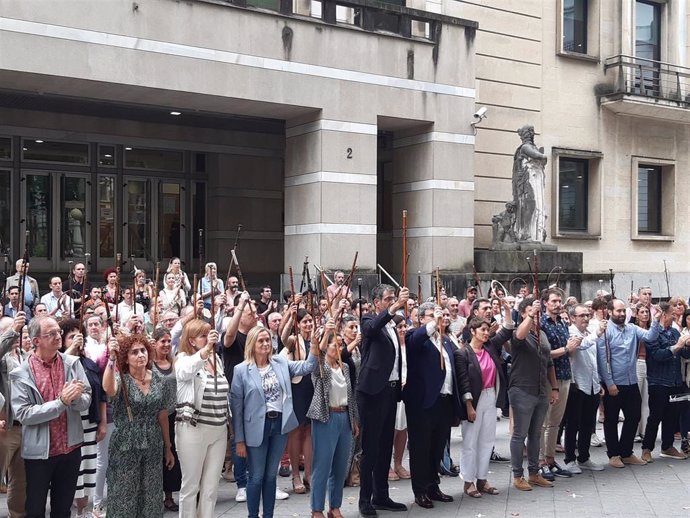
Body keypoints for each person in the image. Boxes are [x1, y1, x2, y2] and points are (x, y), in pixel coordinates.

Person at [230, 326, 318, 518]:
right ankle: (253, 515)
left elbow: (307, 367)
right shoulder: (241, 370)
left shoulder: (280, 362)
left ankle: (268, 515)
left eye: (268, 340)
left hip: (279, 425)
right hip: (255, 429)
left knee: (271, 476)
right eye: (261, 340)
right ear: (252, 344)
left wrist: (315, 348)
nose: (265, 344)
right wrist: (239, 440)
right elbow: (236, 410)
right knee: (256, 477)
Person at [10, 315, 92, 518]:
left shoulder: (72, 363)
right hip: (39, 454)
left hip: (70, 448)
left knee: (63, 510)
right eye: (52, 333)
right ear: (36, 340)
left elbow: (87, 397)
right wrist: (61, 403)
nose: (59, 337)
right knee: (35, 509)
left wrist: (74, 399)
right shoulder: (21, 372)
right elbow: (23, 413)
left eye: (59, 332)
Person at [102, 334, 175, 518]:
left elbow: (163, 415)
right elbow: (108, 388)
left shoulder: (159, 380)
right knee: (124, 494)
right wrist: (111, 359)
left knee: (150, 494)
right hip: (126, 443)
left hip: (153, 442)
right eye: (134, 352)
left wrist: (168, 447)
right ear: (125, 358)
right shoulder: (121, 380)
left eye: (143, 351)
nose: (140, 355)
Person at [356, 284, 409, 517]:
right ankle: (364, 499)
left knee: (385, 445)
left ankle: (381, 495)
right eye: (387, 299)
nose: (391, 302)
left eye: (393, 298)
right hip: (372, 393)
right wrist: (394, 308)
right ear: (377, 302)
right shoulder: (369, 320)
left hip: (390, 391)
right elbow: (370, 330)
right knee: (371, 448)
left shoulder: (392, 325)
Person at [404, 302, 461, 509]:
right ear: (420, 318)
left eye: (437, 315)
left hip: (444, 400)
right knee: (421, 448)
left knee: (437, 446)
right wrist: (432, 323)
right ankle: (420, 490)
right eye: (430, 315)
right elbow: (416, 340)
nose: (436, 318)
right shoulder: (413, 336)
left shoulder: (445, 341)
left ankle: (433, 485)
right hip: (423, 402)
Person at [455, 300, 514, 498]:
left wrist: (507, 310)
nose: (486, 333)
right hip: (473, 400)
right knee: (470, 441)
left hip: (490, 397)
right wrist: (469, 406)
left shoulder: (490, 347)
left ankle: (482, 478)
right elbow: (463, 382)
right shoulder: (462, 353)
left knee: (487, 440)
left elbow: (506, 331)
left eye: (487, 330)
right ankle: (468, 481)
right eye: (482, 330)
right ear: (472, 331)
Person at [596, 299, 660, 468]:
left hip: (631, 381)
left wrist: (657, 320)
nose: (622, 314)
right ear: (610, 312)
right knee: (611, 420)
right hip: (614, 383)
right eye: (618, 311)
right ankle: (614, 454)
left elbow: (650, 337)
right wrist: (609, 383)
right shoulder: (605, 331)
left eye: (624, 310)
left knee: (633, 417)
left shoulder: (632, 329)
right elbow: (602, 359)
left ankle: (626, 452)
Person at [175, 320, 228, 518]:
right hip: (193, 429)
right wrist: (204, 351)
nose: (209, 339)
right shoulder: (183, 359)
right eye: (203, 336)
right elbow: (184, 372)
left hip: (219, 428)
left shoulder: (216, 360)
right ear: (191, 341)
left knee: (211, 487)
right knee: (191, 487)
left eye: (209, 334)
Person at [308, 318, 359, 518]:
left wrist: (354, 419)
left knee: (340, 467)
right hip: (325, 418)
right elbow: (317, 356)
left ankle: (335, 506)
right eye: (334, 344)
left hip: (344, 416)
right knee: (322, 466)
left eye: (341, 344)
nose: (338, 348)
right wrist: (325, 332)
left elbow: (351, 394)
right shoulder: (321, 367)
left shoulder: (345, 367)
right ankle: (317, 509)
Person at [507, 297, 559, 491]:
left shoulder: (542, 334)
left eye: (537, 312)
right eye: (531, 311)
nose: (535, 315)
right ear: (523, 313)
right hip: (522, 389)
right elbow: (518, 337)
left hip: (540, 389)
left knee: (535, 433)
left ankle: (534, 472)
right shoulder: (519, 331)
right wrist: (529, 316)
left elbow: (549, 362)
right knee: (519, 434)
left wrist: (554, 387)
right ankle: (518, 475)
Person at [61, 318, 108, 518]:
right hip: (69, 425)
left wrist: (103, 422)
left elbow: (101, 394)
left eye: (79, 336)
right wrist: (70, 349)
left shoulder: (89, 363)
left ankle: (83, 511)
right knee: (74, 473)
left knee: (88, 470)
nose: (76, 340)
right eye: (71, 337)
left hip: (89, 423)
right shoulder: (59, 361)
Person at [640, 302, 690, 462]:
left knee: (672, 415)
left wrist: (686, 345)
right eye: (672, 315)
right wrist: (677, 346)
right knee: (655, 416)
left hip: (675, 381)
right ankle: (646, 448)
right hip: (659, 382)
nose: (675, 317)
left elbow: (685, 355)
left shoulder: (675, 332)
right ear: (664, 315)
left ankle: (667, 446)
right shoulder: (653, 334)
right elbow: (657, 355)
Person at [563, 304, 605, 473]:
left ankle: (584, 457)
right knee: (573, 423)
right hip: (577, 384)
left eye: (588, 315)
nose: (586, 318)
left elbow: (594, 360)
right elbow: (581, 345)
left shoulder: (589, 332)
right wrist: (597, 334)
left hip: (592, 384)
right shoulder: (571, 332)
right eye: (582, 315)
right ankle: (569, 459)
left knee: (588, 423)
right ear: (573, 318)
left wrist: (599, 381)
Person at [279, 307, 316, 494]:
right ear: (298, 325)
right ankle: (295, 475)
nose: (308, 324)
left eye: (310, 320)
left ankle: (309, 474)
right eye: (304, 322)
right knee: (296, 431)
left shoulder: (316, 338)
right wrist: (289, 317)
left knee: (309, 430)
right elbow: (283, 337)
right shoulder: (294, 340)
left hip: (314, 388)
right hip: (298, 388)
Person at [0, 313, 28, 518]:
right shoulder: (2, 359)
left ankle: (17, 514)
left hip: (25, 426)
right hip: (4, 427)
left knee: (21, 481)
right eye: (9, 330)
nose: (16, 334)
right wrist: (12, 330)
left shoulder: (25, 356)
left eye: (18, 330)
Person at [151, 328, 182, 512]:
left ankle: (169, 496)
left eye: (168, 341)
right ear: (154, 343)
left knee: (171, 453)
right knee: (156, 455)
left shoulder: (174, 362)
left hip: (173, 414)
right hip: (154, 415)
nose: (166, 344)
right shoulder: (148, 364)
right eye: (162, 341)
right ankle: (154, 495)